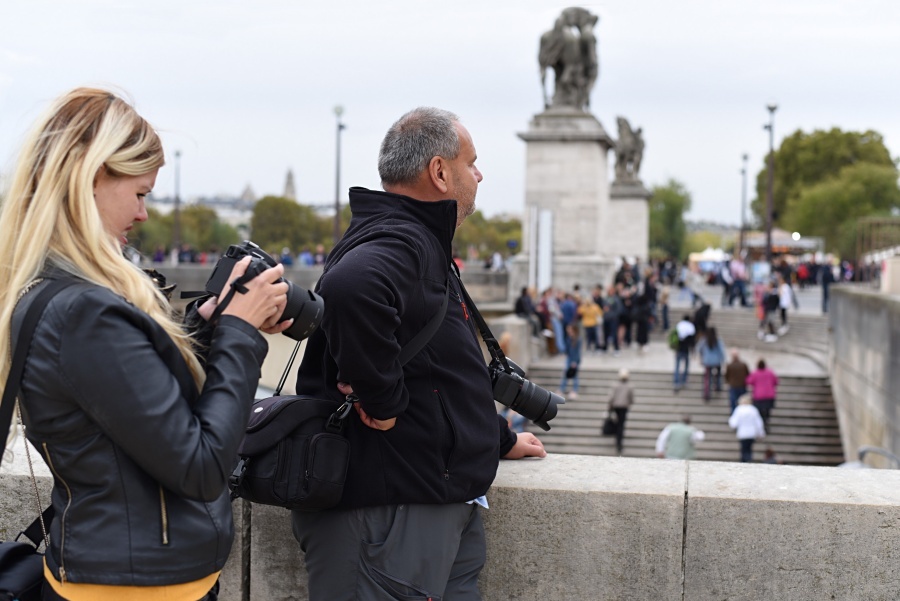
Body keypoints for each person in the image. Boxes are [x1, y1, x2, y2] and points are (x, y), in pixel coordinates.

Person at [0, 88, 291, 601]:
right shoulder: (83, 314)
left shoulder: (61, 291)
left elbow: (130, 407)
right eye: (139, 193)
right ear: (90, 180)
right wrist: (241, 336)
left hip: (126, 575)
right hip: (131, 589)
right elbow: (200, 467)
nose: (144, 214)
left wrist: (202, 328)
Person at [290, 107, 546, 600]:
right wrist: (381, 400)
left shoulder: (411, 237)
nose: (480, 174)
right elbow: (351, 287)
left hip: (421, 502)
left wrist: (492, 436)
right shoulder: (402, 240)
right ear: (439, 172)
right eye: (472, 162)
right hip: (389, 511)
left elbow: (437, 368)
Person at [728, 394, 766, 462]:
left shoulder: (739, 409)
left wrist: (732, 426)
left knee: (744, 448)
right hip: (751, 433)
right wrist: (761, 433)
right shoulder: (753, 409)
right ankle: (749, 459)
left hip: (742, 433)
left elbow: (733, 422)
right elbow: (758, 422)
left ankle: (744, 460)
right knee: (749, 448)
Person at [746, 358, 779, 430]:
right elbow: (776, 381)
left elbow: (749, 381)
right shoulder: (770, 372)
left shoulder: (755, 373)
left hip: (758, 396)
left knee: (759, 411)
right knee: (767, 410)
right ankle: (766, 421)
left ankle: (762, 423)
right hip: (769, 395)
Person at [608, 368, 634, 454]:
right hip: (624, 407)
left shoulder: (615, 385)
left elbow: (611, 397)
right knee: (621, 425)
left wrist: (610, 406)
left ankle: (618, 440)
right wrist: (629, 403)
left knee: (618, 424)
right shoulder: (630, 386)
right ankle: (619, 443)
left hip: (616, 406)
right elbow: (631, 398)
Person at [696, 327, 727, 401]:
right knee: (718, 374)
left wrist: (701, 356)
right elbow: (722, 350)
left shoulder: (704, 339)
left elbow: (698, 348)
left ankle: (707, 393)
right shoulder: (718, 339)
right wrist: (723, 359)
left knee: (707, 378)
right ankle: (718, 386)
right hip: (717, 361)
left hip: (707, 361)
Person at [673, 314, 696, 392]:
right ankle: (684, 380)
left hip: (679, 348)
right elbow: (692, 340)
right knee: (686, 365)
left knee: (677, 365)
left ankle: (676, 381)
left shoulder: (679, 325)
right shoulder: (690, 326)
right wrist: (693, 350)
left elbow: (675, 336)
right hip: (686, 349)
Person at [559, 323, 582, 400]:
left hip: (574, 360)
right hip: (569, 358)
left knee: (574, 375)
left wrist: (575, 362)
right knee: (566, 374)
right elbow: (566, 350)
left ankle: (574, 390)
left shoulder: (577, 339)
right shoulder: (569, 338)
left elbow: (577, 352)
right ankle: (562, 389)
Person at [724, 349, 751, 414]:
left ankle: (734, 414)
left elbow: (726, 376)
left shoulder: (729, 365)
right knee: (743, 402)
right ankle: (743, 414)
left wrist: (729, 381)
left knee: (733, 402)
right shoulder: (743, 364)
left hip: (733, 386)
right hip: (742, 385)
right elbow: (748, 374)